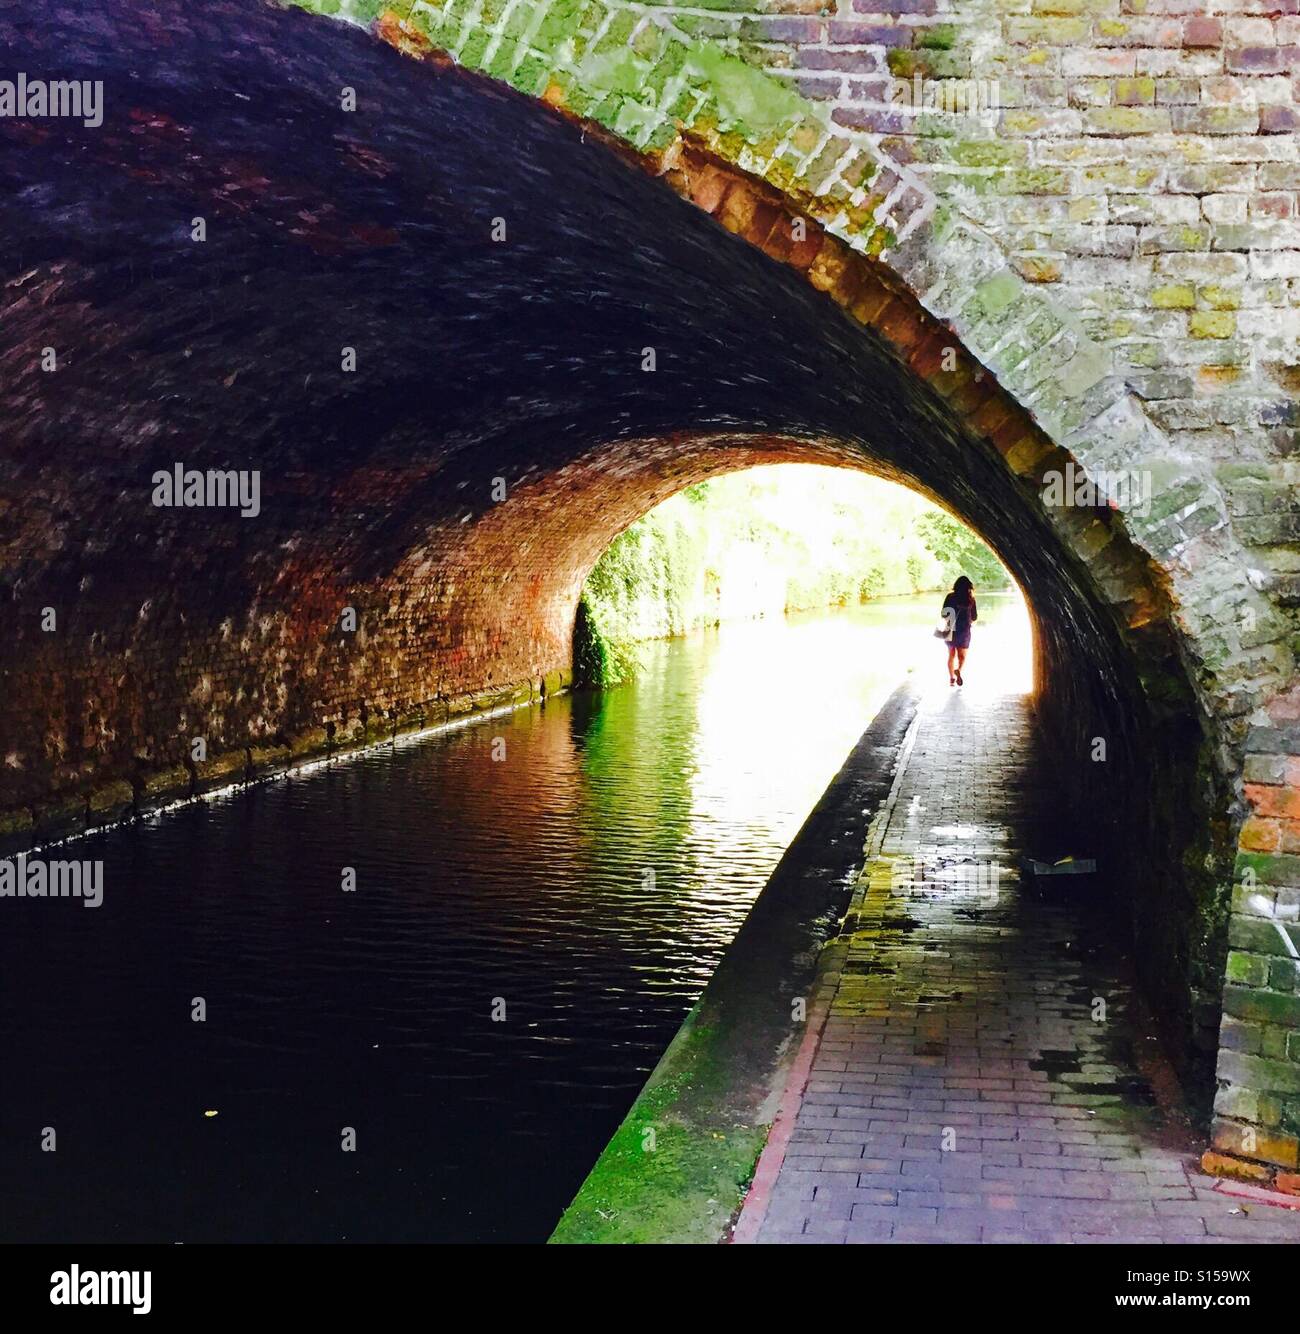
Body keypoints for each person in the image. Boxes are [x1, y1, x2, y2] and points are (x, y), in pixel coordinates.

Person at [942, 576, 977, 686]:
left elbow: (943, 613)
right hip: (964, 631)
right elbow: (974, 617)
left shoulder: (950, 597)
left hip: (950, 629)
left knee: (951, 655)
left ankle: (951, 678)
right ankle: (959, 670)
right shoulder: (971, 599)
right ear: (969, 587)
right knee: (962, 656)